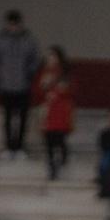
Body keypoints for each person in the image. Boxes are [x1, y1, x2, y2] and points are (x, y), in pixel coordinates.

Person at [0, 10, 42, 157]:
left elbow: (36, 59)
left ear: (20, 24)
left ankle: (20, 147)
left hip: (23, 85)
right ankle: (8, 146)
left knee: (23, 118)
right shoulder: (0, 40)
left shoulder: (29, 40)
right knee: (7, 118)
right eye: (10, 24)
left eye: (15, 24)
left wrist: (28, 73)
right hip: (5, 86)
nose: (13, 27)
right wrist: (1, 74)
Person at [34, 48, 75, 181]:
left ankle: (63, 158)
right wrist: (45, 89)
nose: (50, 59)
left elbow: (70, 90)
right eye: (48, 57)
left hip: (61, 110)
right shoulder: (44, 73)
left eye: (52, 56)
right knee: (49, 139)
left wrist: (56, 92)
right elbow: (38, 92)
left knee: (59, 137)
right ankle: (52, 167)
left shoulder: (64, 73)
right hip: (48, 111)